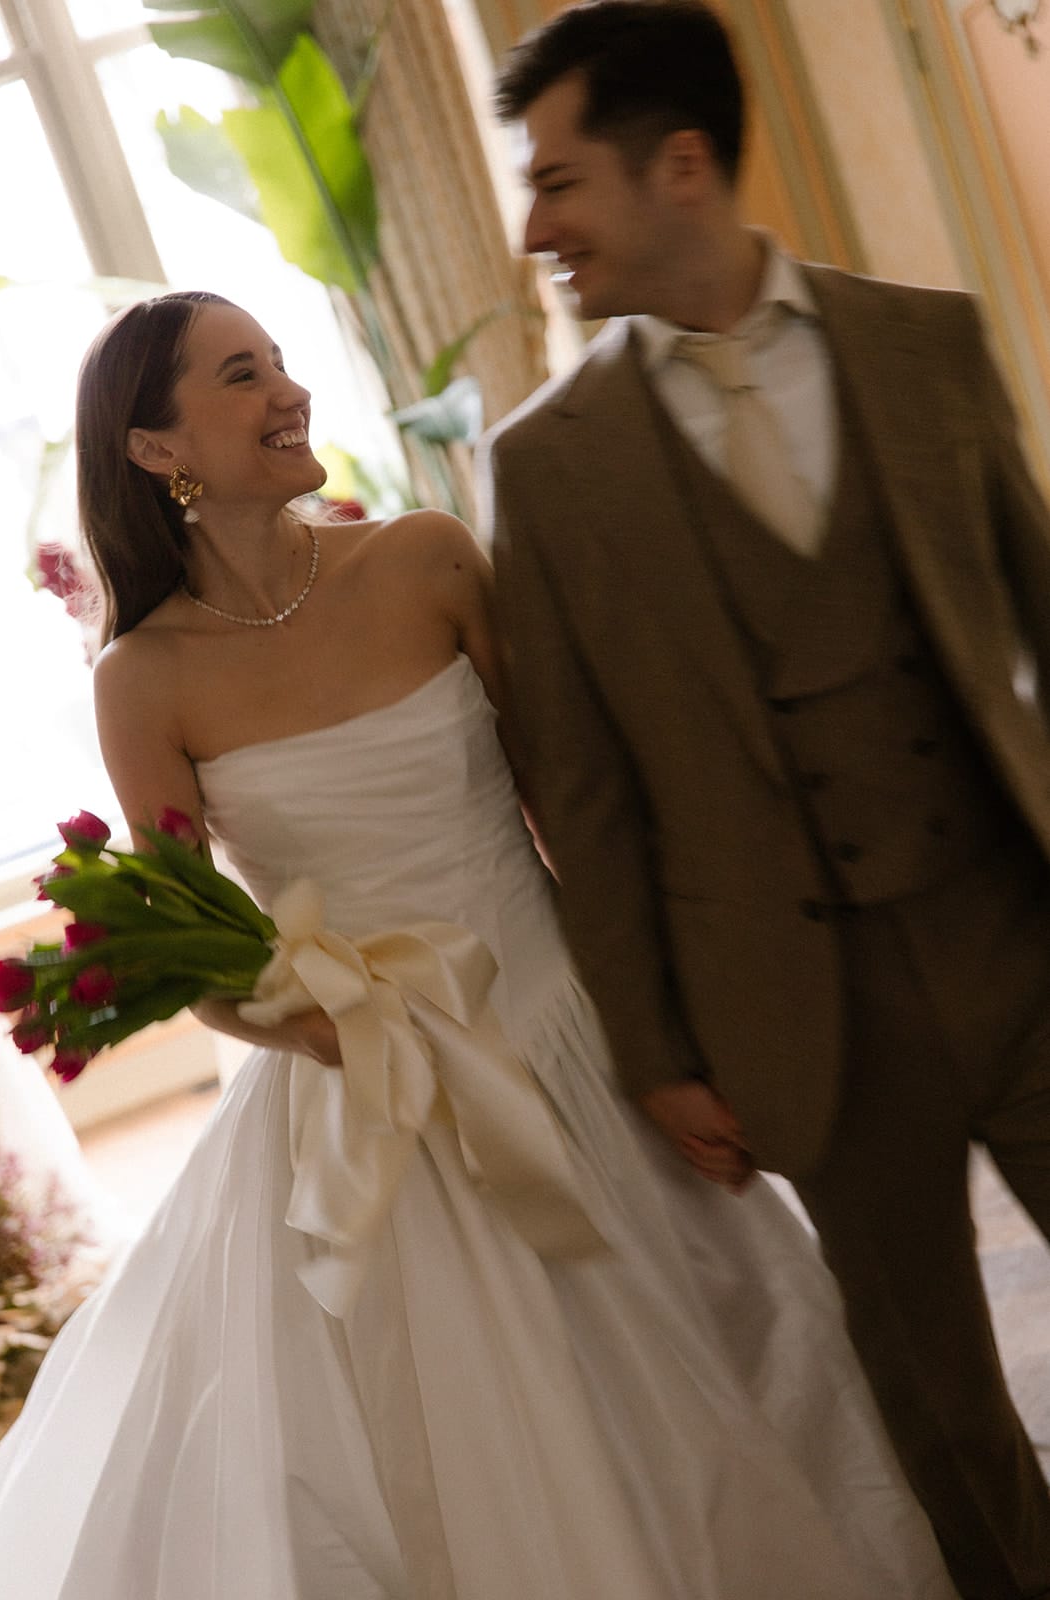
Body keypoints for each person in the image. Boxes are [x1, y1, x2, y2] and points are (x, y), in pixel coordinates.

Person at [0, 290, 960, 1597]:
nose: (290, 393)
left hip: (572, 1028)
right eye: (240, 377)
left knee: (731, 1373)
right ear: (158, 451)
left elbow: (579, 810)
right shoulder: (143, 678)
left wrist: (684, 1024)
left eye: (282, 364)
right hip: (372, 1106)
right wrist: (329, 1027)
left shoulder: (428, 559)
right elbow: (197, 956)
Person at [483, 4, 1050, 1598]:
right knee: (940, 1412)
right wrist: (657, 1054)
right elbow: (583, 798)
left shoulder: (920, 343)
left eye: (559, 180)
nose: (536, 228)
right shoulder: (549, 467)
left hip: (1021, 933)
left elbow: (1044, 611)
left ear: (680, 166)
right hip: (809, 1018)